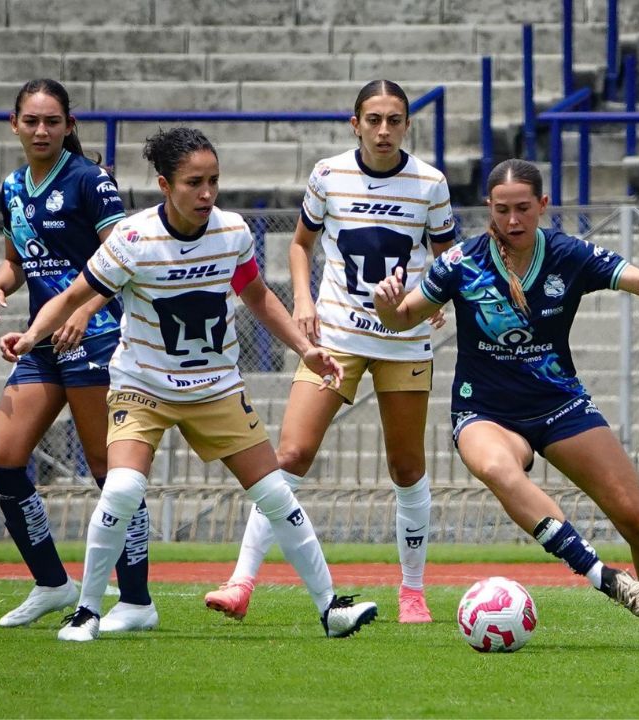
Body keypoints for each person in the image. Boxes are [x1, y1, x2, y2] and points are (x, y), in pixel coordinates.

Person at [0, 126, 378, 642]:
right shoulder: (132, 239)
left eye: (213, 181)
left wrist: (305, 348)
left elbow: (259, 296)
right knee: (123, 487)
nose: (206, 193)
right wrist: (31, 336)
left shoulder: (233, 231)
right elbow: (71, 297)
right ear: (164, 184)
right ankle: (86, 611)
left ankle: (331, 608)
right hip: (143, 387)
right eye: (193, 182)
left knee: (275, 494)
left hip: (216, 388)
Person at [372, 158, 639, 649]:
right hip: (484, 411)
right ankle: (604, 577)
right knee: (497, 469)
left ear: (542, 205)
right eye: (501, 210)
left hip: (560, 405)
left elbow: (633, 275)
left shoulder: (567, 254)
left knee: (638, 519)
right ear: (488, 210)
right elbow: (405, 316)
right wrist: (388, 307)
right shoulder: (461, 263)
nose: (512, 221)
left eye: (522, 209)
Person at [203, 79, 456, 624]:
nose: (383, 130)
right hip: (336, 337)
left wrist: (436, 296)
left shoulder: (430, 183)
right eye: (373, 119)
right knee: (290, 455)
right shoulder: (328, 173)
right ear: (355, 123)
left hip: (403, 338)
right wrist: (302, 298)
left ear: (407, 124)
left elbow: (447, 255)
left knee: (407, 466)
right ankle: (242, 580)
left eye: (394, 120)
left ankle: (412, 592)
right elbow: (300, 243)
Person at [0, 78, 154, 632]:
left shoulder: (90, 181)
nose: (41, 130)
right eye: (31, 120)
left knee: (108, 469)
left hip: (95, 336)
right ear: (14, 124)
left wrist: (82, 310)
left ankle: (136, 600)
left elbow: (120, 258)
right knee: (2, 461)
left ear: (68, 126)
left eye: (52, 120)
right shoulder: (11, 187)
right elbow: (19, 260)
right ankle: (54, 583)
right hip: (41, 341)